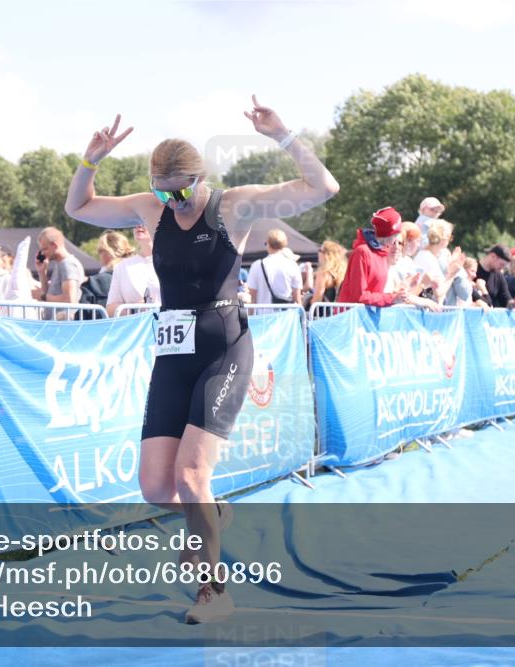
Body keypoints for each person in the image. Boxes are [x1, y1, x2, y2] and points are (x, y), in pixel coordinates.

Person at [64, 98, 338, 624]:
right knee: (154, 487)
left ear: (201, 179)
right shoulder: (152, 208)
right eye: (165, 192)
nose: (174, 202)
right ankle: (209, 515)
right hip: (173, 351)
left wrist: (282, 136)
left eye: (182, 191)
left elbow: (323, 189)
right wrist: (90, 160)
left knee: (192, 477)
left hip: (224, 345)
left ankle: (214, 593)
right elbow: (79, 208)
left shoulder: (234, 206)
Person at [337, 207, 409, 306]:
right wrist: (392, 298)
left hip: (366, 317)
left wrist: (397, 293)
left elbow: (377, 292)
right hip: (352, 317)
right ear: (390, 234)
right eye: (397, 234)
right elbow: (359, 296)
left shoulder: (383, 252)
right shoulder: (362, 252)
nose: (397, 239)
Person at [106, 225, 160, 316]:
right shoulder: (121, 267)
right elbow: (110, 309)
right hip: (136, 327)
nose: (138, 225)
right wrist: (134, 310)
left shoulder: (173, 262)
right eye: (135, 220)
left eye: (143, 220)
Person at [33, 227, 84, 320]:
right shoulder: (60, 264)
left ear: (54, 245)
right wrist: (42, 272)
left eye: (44, 249)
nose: (43, 253)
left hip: (63, 327)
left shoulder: (67, 264)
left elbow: (69, 300)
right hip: (56, 324)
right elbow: (50, 294)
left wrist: (43, 297)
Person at [246, 229, 303, 306]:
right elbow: (297, 298)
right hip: (286, 315)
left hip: (262, 315)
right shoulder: (293, 265)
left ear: (268, 244)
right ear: (284, 245)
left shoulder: (257, 265)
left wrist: (251, 316)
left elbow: (252, 297)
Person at [475, 244, 515, 308]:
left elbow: (505, 298)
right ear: (493, 256)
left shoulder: (498, 275)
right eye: (501, 264)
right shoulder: (472, 269)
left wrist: (514, 303)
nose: (502, 268)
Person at [311, 240, 346, 305]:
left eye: (320, 250)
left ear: (327, 255)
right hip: (338, 312)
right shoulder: (342, 272)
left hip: (323, 313)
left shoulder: (323, 273)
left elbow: (317, 300)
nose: (318, 253)